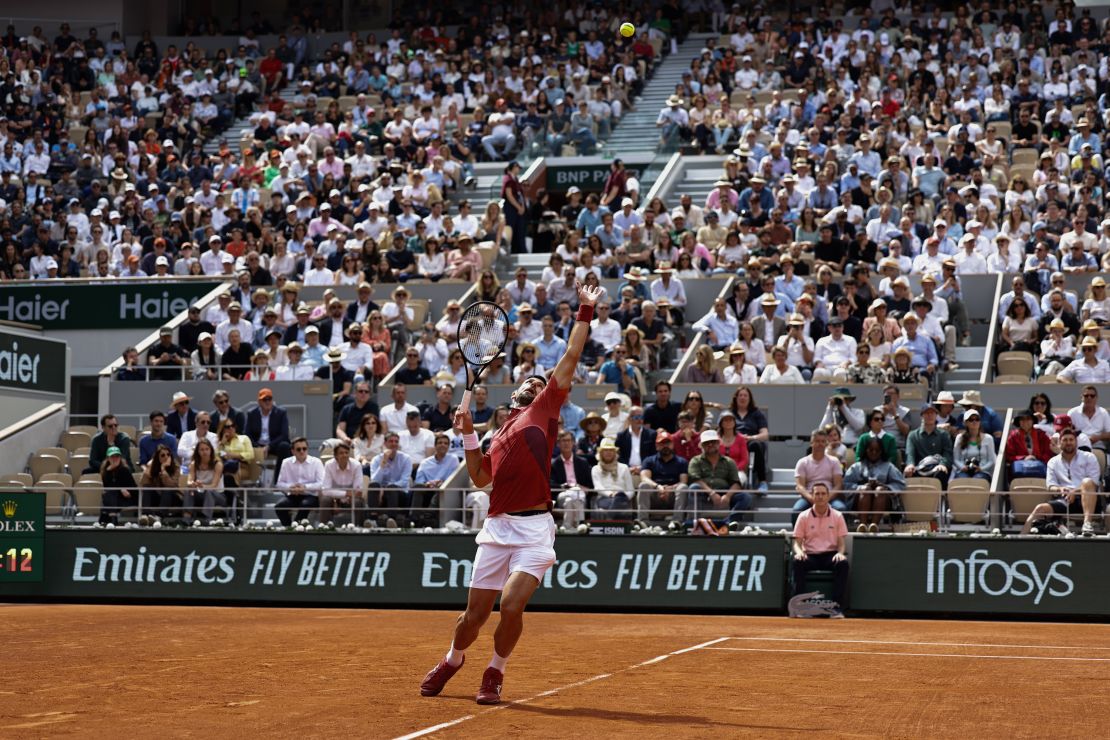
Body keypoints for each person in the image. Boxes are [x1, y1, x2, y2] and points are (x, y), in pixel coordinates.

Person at [420, 280, 601, 705]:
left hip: (536, 529)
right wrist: (467, 435)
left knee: (511, 606)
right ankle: (453, 659)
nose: (535, 384)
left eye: (541, 382)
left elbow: (571, 356)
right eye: (530, 382)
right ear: (514, 394)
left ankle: (494, 671)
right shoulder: (497, 435)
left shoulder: (543, 411)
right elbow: (481, 479)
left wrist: (585, 311)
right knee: (473, 617)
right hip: (497, 528)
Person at [1023, 427, 1102, 535]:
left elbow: (1094, 482)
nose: (1068, 442)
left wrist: (1074, 491)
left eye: (1071, 440)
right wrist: (1060, 489)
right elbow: (1050, 486)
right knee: (1040, 508)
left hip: (1089, 500)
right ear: (1060, 443)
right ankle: (1019, 539)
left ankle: (1087, 525)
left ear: (1076, 442)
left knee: (1087, 482)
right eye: (1065, 440)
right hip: (1065, 500)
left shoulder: (1089, 457)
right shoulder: (1053, 462)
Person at [791, 482, 848, 618]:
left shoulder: (838, 516)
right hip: (810, 555)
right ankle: (800, 608)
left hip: (830, 555)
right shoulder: (803, 516)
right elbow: (797, 543)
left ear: (828, 496)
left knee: (843, 564)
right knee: (797, 562)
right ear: (812, 496)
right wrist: (799, 553)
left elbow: (841, 543)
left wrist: (840, 553)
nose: (820, 497)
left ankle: (836, 609)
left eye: (823, 494)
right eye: (817, 493)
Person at [683, 430, 749, 525]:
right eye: (706, 443)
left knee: (745, 497)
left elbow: (736, 483)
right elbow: (695, 480)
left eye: (713, 442)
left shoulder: (729, 461)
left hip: (724, 492)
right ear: (701, 446)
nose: (710, 445)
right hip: (703, 493)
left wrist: (727, 496)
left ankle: (729, 522)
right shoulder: (695, 461)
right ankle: (694, 522)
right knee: (694, 488)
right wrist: (712, 493)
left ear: (718, 443)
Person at [843, 436, 905, 533]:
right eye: (871, 450)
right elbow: (846, 484)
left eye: (877, 450)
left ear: (881, 451)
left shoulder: (888, 466)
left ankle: (874, 525)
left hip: (882, 499)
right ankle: (862, 525)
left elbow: (900, 484)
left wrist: (885, 487)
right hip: (860, 499)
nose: (874, 453)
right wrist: (861, 487)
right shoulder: (857, 466)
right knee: (866, 489)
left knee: (879, 490)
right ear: (866, 450)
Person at [793, 428, 846, 522]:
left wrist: (826, 498)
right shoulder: (802, 462)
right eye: (817, 441)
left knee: (841, 509)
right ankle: (797, 536)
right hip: (809, 497)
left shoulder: (834, 461)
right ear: (811, 443)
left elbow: (838, 485)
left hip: (830, 497)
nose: (820, 444)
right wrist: (812, 498)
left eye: (822, 441)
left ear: (826, 443)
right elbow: (799, 486)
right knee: (797, 511)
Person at [637, 430, 688, 523]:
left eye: (668, 443)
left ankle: (677, 522)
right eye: (662, 443)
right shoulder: (649, 460)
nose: (665, 446)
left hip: (673, 495)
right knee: (643, 486)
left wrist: (670, 489)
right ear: (656, 446)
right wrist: (658, 487)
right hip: (655, 494)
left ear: (672, 444)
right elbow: (644, 477)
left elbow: (683, 481)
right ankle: (642, 521)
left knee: (683, 487)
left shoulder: (681, 461)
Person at [274, 436, 325, 526]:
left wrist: (304, 487)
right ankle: (288, 527)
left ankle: (295, 528)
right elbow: (280, 484)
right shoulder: (286, 462)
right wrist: (291, 488)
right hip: (293, 495)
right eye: (298, 449)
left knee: (305, 505)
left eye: (304, 449)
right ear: (293, 451)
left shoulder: (316, 462)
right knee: (279, 506)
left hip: (310, 496)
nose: (302, 451)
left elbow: (321, 483)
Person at [369, 431, 415, 527]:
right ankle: (372, 520)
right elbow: (375, 480)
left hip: (400, 494)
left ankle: (392, 520)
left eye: (396, 441)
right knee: (373, 486)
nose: (394, 444)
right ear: (385, 443)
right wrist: (383, 462)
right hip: (382, 496)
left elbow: (404, 481)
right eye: (391, 441)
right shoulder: (377, 459)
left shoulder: (406, 459)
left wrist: (387, 488)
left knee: (392, 488)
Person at [245, 387, 292, 479]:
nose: (267, 402)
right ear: (259, 402)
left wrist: (269, 446)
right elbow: (247, 434)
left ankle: (279, 480)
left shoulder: (281, 413)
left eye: (269, 399)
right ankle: (253, 481)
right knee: (247, 447)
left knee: (285, 446)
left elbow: (284, 435)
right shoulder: (251, 413)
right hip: (257, 445)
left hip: (274, 445)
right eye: (264, 399)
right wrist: (258, 447)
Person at [550, 430, 593, 529]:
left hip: (579, 494)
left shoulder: (583, 463)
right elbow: (550, 484)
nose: (566, 443)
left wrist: (580, 488)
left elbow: (590, 485)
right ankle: (581, 524)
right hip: (563, 493)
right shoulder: (553, 464)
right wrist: (563, 486)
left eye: (569, 440)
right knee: (574, 495)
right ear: (558, 444)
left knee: (571, 500)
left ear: (573, 443)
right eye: (563, 441)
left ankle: (567, 527)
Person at [904, 403, 954, 489]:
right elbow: (910, 453)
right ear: (921, 416)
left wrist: (943, 464)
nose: (929, 415)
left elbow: (948, 453)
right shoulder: (913, 435)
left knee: (941, 473)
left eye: (932, 413)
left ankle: (938, 501)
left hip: (937, 467)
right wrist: (910, 464)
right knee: (909, 473)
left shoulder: (944, 434)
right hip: (919, 468)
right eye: (926, 413)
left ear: (936, 415)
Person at [320, 441, 366, 525]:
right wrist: (345, 494)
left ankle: (358, 528)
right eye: (341, 453)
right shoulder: (329, 465)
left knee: (358, 502)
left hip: (352, 499)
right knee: (325, 500)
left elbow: (358, 490)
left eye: (346, 453)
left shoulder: (356, 465)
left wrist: (349, 495)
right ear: (335, 456)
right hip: (334, 499)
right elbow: (325, 490)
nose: (344, 455)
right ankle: (324, 528)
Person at [185, 438, 225, 524]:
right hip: (201, 493)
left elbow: (214, 486)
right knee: (189, 490)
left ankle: (206, 520)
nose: (204, 452)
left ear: (211, 450)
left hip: (218, 495)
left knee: (209, 492)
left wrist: (202, 486)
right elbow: (189, 481)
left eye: (207, 449)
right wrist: (193, 484)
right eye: (202, 449)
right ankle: (186, 519)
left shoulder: (217, 464)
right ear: (198, 452)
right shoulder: (193, 464)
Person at [591, 438, 634, 518]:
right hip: (604, 498)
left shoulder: (624, 467)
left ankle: (608, 518)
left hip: (622, 499)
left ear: (615, 453)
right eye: (605, 450)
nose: (608, 453)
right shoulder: (595, 469)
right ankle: (611, 518)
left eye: (611, 450)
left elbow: (631, 490)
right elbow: (598, 487)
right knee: (616, 503)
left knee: (620, 500)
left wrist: (623, 497)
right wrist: (611, 494)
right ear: (601, 453)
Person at [952, 409, 996, 482]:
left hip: (983, 472)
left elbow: (991, 460)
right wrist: (963, 467)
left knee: (977, 481)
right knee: (962, 481)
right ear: (965, 423)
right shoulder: (960, 437)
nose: (974, 422)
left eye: (977, 419)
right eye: (971, 420)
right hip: (963, 471)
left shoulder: (988, 438)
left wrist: (981, 468)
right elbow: (955, 459)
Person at [140, 444, 181, 520]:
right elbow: (143, 483)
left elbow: (172, 485)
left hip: (172, 498)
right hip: (158, 497)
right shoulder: (152, 467)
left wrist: (163, 469)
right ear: (157, 458)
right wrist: (149, 467)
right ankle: (145, 516)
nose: (166, 457)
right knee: (147, 487)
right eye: (162, 455)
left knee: (167, 490)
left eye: (168, 454)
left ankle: (159, 516)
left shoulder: (175, 467)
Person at [99, 446, 137, 525]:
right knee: (109, 493)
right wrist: (109, 471)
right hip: (114, 500)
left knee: (108, 496)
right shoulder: (106, 472)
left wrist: (126, 492)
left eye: (117, 456)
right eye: (112, 456)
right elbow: (107, 487)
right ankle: (113, 519)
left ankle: (106, 518)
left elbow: (134, 490)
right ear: (108, 458)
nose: (115, 459)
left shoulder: (125, 470)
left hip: (127, 499)